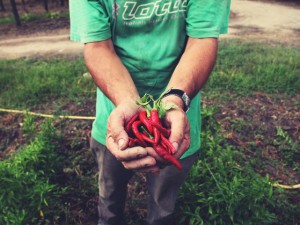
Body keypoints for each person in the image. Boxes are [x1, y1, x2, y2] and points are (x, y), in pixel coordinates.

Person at [69, 0, 230, 224]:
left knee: (163, 208)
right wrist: (126, 101)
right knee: (109, 197)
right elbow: (97, 47)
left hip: (175, 123)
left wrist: (175, 100)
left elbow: (202, 39)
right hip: (115, 116)